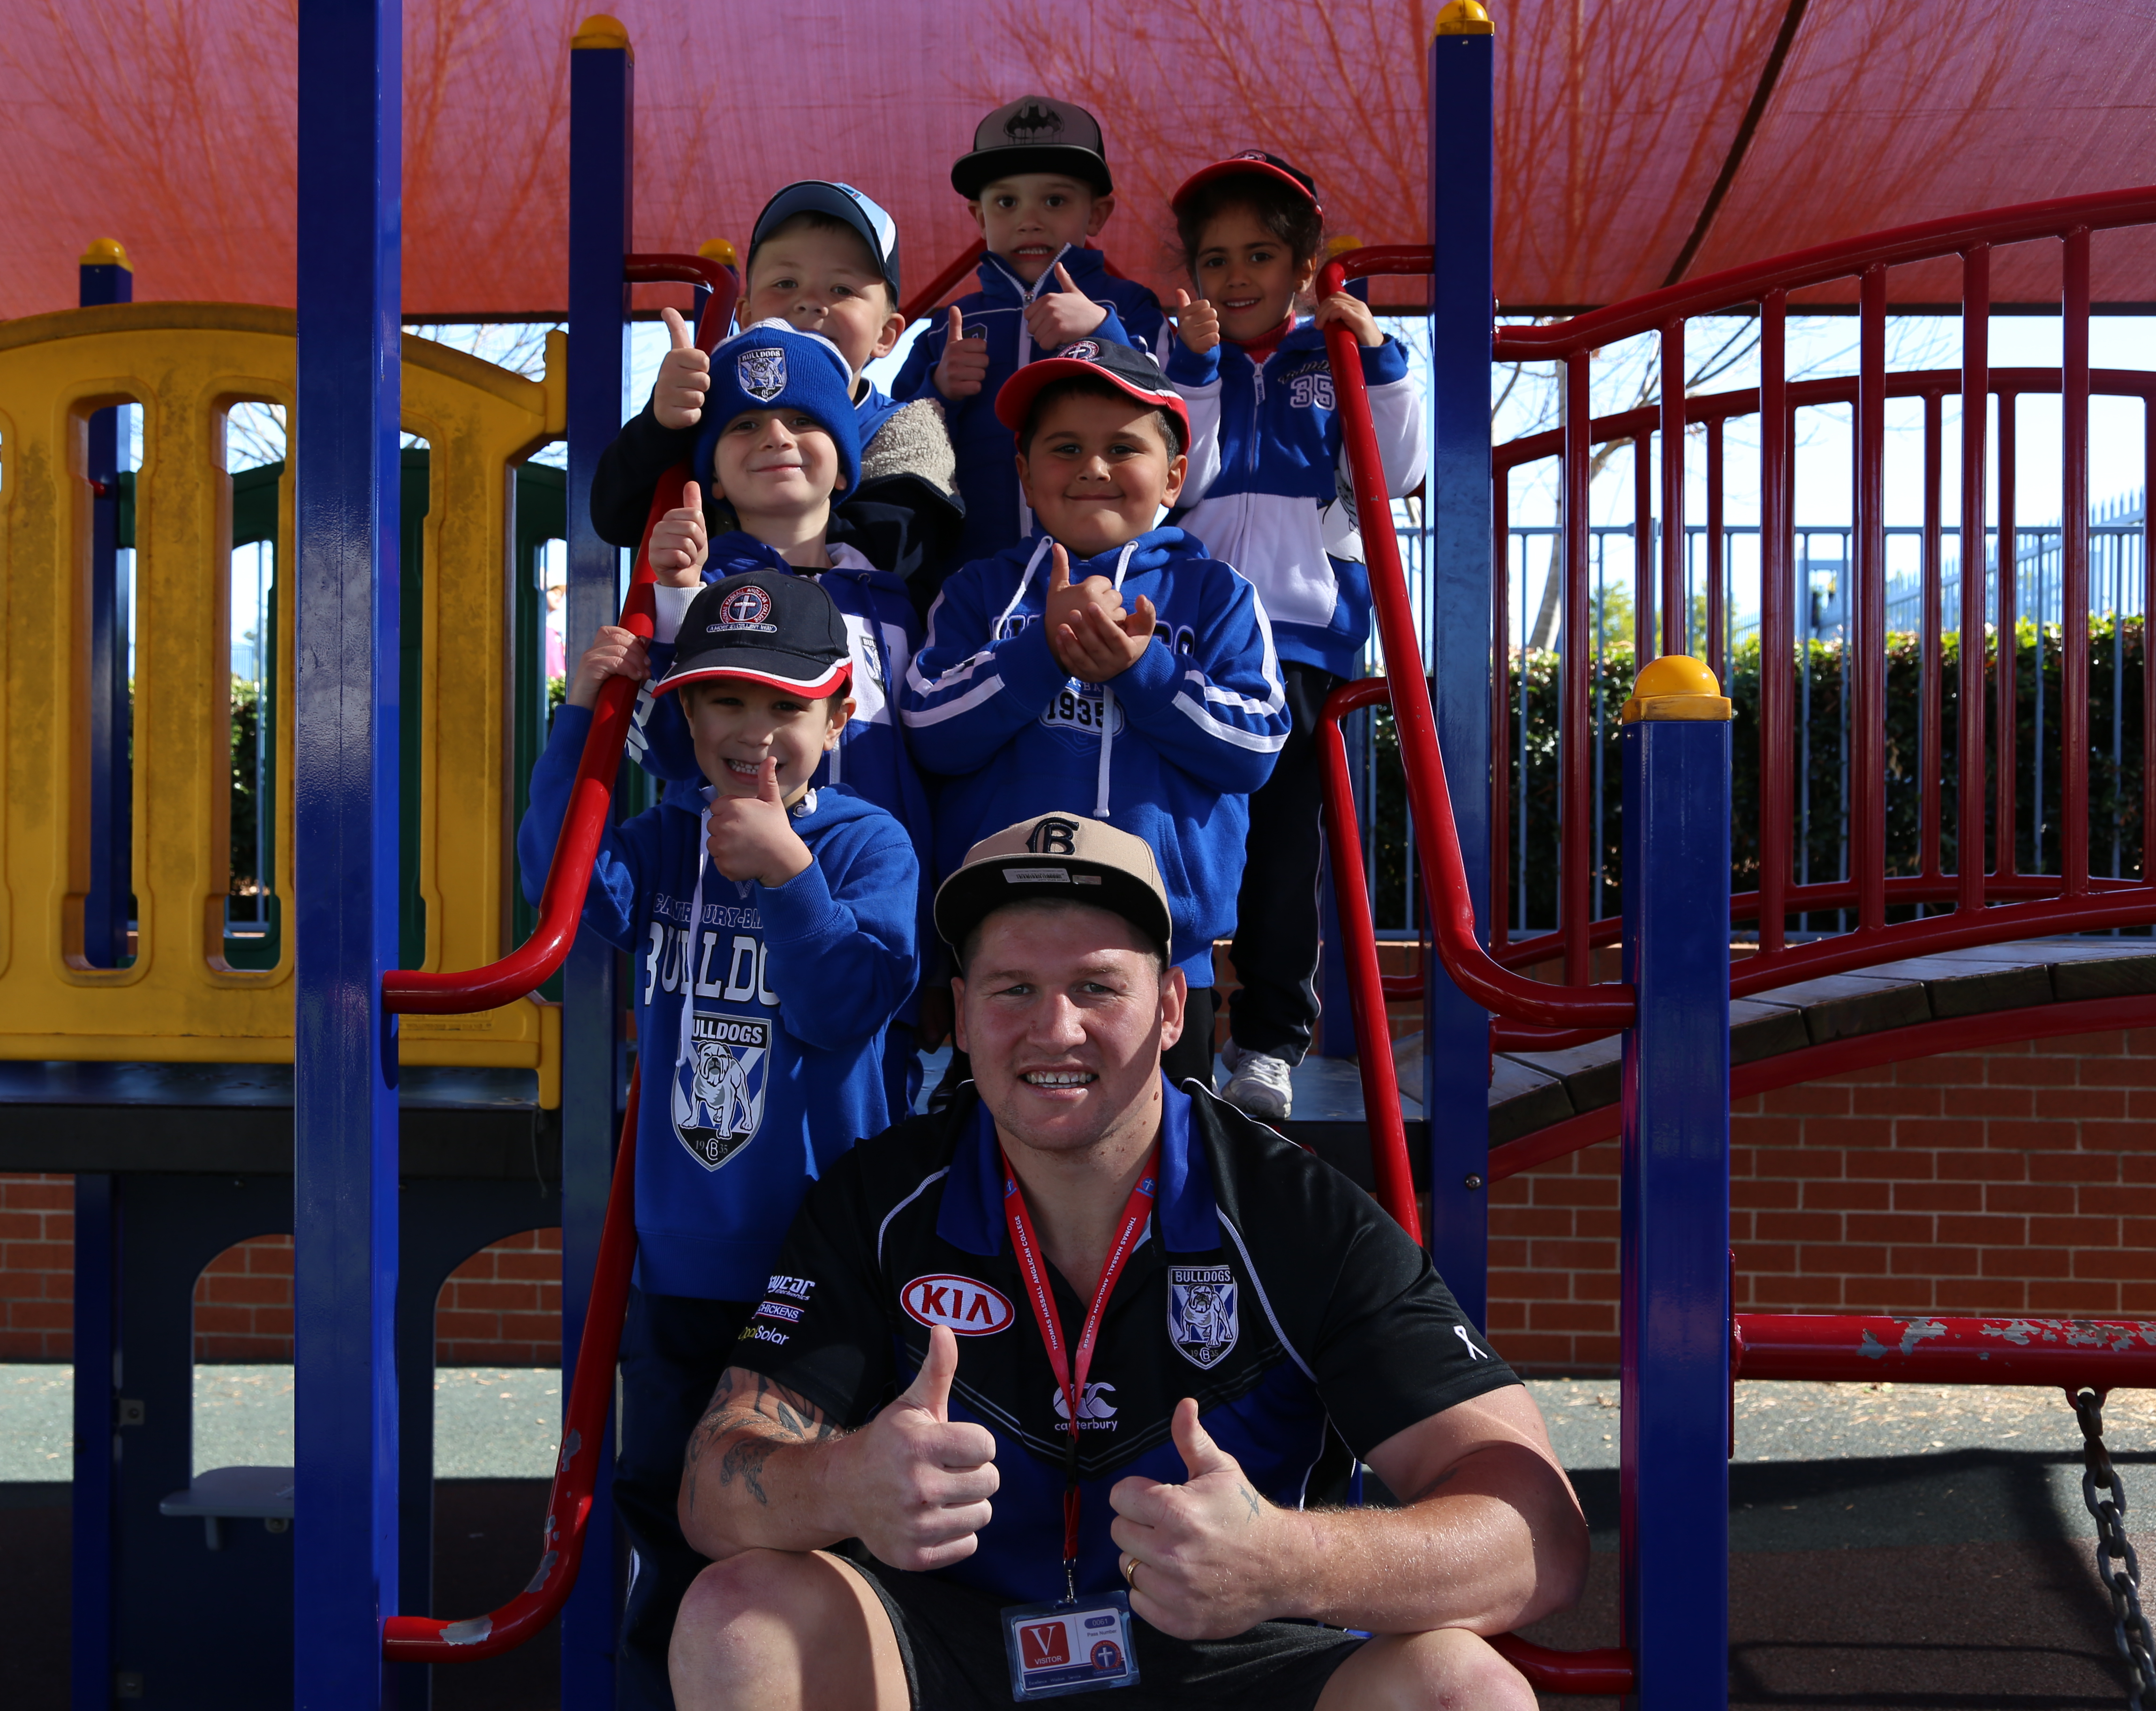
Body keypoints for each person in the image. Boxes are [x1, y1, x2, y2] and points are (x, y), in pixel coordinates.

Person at [665, 813, 1587, 1711]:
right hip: (953, 1650)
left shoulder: (1297, 1214)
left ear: (1174, 1007)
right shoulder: (879, 1198)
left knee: (1465, 1691)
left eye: (1098, 987)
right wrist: (849, 1483)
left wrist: (1285, 1562)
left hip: (1234, 1654)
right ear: (961, 1012)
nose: (1054, 1029)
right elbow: (713, 1489)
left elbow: (1537, 1532)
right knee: (741, 1619)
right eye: (1012, 989)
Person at [522, 570, 920, 1709]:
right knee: (667, 1521)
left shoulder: (862, 846)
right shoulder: (656, 845)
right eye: (723, 707)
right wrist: (573, 723)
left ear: (837, 717)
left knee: (810, 1530)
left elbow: (846, 1001)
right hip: (681, 1265)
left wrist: (788, 876)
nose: (753, 735)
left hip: (817, 1270)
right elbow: (560, 894)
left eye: (783, 708)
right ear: (685, 723)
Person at [899, 342, 1286, 1090]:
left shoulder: (1219, 593)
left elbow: (1256, 745)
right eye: (1066, 448)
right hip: (1002, 945)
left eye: (1123, 448)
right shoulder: (980, 591)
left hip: (1165, 950)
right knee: (992, 1165)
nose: (1094, 468)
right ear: (1023, 473)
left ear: (1175, 475)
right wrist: (1040, 653)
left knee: (1168, 1174)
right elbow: (929, 728)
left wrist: (1143, 672)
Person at [1162, 151, 1429, 1121]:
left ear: (1305, 263)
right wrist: (1191, 369)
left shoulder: (1340, 352)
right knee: (1187, 839)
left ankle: (1269, 1041)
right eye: (1218, 257)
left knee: (1284, 849)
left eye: (1262, 256)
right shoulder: (1182, 352)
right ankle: (1179, 1028)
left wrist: (1379, 355)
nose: (1238, 278)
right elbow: (1182, 478)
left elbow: (1394, 469)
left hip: (1307, 637)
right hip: (1198, 636)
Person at [634, 318, 937, 1116]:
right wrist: (672, 602)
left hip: (862, 918)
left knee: (869, 1128)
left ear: (844, 464)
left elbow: (924, 767)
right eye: (743, 424)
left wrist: (933, 952)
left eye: (804, 420)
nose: (776, 436)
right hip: (725, 944)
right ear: (717, 477)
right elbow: (665, 746)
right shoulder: (698, 590)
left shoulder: (894, 601)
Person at [592, 180, 964, 593]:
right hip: (706, 637)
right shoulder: (708, 407)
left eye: (842, 289)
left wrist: (758, 502)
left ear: (887, 334)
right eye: (785, 283)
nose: (809, 302)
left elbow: (900, 550)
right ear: (747, 316)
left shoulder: (907, 426)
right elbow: (616, 519)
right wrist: (662, 426)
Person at [891, 96, 1198, 564]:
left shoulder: (1130, 307)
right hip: (972, 575)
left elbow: (1171, 413)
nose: (1029, 220)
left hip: (1109, 571)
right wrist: (939, 391)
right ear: (980, 217)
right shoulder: (946, 327)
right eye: (1006, 202)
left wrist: (1104, 332)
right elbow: (898, 447)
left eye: (1055, 200)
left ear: (1096, 214)